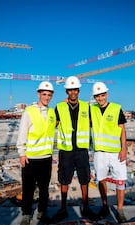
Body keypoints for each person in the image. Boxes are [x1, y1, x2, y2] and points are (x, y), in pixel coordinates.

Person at [51, 76, 97, 223]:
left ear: (78, 91)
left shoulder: (86, 107)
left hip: (82, 150)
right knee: (64, 179)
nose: (73, 92)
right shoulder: (59, 107)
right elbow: (52, 124)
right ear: (66, 91)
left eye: (75, 89)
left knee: (84, 179)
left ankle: (85, 208)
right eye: (70, 90)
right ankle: (63, 209)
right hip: (66, 150)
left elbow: (94, 122)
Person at [17, 81, 56, 225]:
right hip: (31, 159)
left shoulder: (52, 112)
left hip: (46, 158)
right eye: (44, 94)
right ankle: (26, 214)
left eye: (49, 95)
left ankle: (41, 212)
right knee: (28, 189)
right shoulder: (29, 111)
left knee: (44, 189)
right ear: (39, 94)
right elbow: (22, 133)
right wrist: (22, 153)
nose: (46, 97)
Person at [90, 82, 128, 223]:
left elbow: (122, 130)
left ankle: (119, 210)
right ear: (94, 97)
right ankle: (105, 206)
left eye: (102, 95)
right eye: (97, 96)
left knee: (120, 180)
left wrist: (124, 149)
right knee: (101, 180)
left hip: (115, 152)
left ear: (107, 94)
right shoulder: (91, 109)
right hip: (100, 152)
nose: (100, 98)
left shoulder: (116, 108)